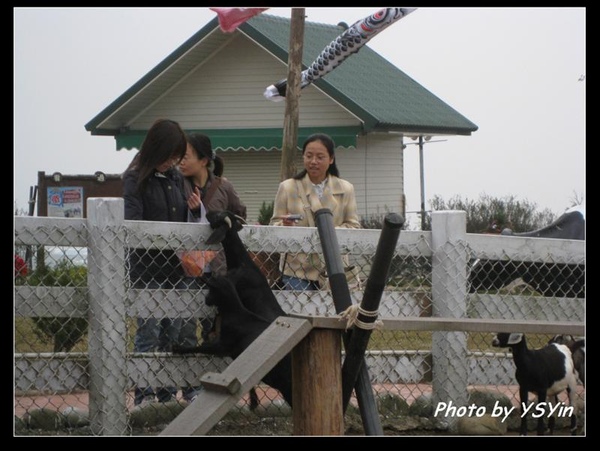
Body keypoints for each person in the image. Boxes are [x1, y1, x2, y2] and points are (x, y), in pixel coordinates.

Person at [122, 118, 199, 405]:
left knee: (174, 330)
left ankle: (166, 394)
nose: (173, 162)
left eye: (176, 158)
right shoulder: (134, 178)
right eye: (169, 157)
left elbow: (184, 222)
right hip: (147, 268)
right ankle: (144, 394)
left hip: (176, 268)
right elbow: (133, 223)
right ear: (156, 150)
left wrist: (193, 208)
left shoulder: (177, 178)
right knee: (149, 331)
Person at [270, 133, 360, 291]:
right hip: (296, 269)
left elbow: (353, 227)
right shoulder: (287, 187)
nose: (313, 161)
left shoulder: (346, 189)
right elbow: (273, 225)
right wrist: (284, 224)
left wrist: (328, 232)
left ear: (331, 159)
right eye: (309, 156)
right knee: (300, 313)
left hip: (334, 269)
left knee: (335, 314)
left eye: (320, 157)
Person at [179, 132, 247, 340]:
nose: (180, 161)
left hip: (218, 266)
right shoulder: (178, 185)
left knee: (215, 324)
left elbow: (241, 215)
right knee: (185, 323)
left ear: (204, 160)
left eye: (186, 156)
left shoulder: (224, 187)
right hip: (186, 265)